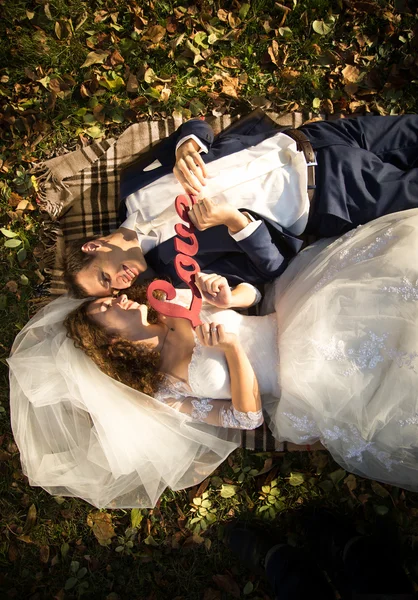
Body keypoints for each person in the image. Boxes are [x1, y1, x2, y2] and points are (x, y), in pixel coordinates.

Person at [8, 208, 418, 508]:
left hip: (294, 313)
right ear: (108, 342)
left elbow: (253, 296)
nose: (114, 298)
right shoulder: (167, 389)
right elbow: (247, 418)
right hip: (305, 376)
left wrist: (227, 294)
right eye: (103, 310)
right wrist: (232, 351)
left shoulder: (169, 301)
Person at [62, 110, 418, 298]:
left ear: (94, 246)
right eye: (112, 289)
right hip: (334, 194)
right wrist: (234, 221)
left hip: (315, 138)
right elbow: (271, 270)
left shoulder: (134, 185)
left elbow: (197, 127)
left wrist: (186, 146)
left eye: (105, 277)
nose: (121, 283)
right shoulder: (180, 271)